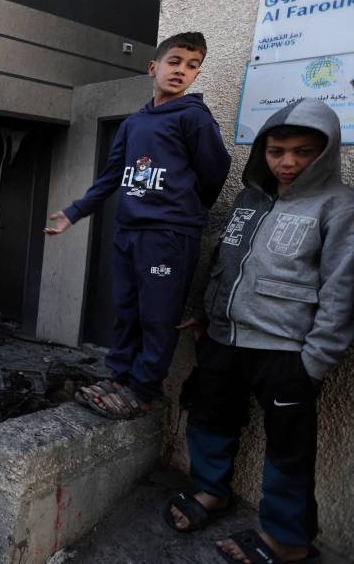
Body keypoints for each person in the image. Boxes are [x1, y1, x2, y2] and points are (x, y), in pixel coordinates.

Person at [166, 98, 354, 563]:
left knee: (289, 447)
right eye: (276, 150)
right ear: (263, 151)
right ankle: (212, 491)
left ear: (327, 152)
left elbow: (343, 288)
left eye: (303, 151)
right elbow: (222, 259)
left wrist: (315, 360)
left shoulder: (339, 205)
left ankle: (287, 540)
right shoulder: (250, 198)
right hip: (224, 338)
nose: (287, 162)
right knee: (209, 417)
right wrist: (203, 311)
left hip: (284, 350)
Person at [44, 31, 231, 418]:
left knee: (157, 315)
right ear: (154, 67)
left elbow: (216, 173)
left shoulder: (193, 118)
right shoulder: (134, 124)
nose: (182, 71)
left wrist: (184, 213)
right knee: (126, 309)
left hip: (168, 236)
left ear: (197, 75)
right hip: (128, 233)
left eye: (192, 66)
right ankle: (119, 376)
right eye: (175, 61)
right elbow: (111, 177)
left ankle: (143, 391)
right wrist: (74, 212)